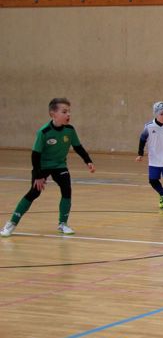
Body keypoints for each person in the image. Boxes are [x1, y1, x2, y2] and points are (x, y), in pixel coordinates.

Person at [1, 98, 95, 238]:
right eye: (64, 112)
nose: (68, 114)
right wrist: (38, 175)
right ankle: (11, 223)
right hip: (42, 167)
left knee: (67, 190)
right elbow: (35, 155)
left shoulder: (70, 130)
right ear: (53, 114)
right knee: (34, 193)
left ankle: (62, 224)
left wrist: (88, 161)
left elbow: (78, 147)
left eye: (69, 111)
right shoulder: (44, 132)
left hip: (60, 165)